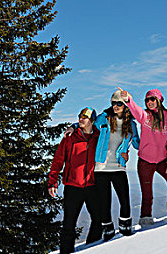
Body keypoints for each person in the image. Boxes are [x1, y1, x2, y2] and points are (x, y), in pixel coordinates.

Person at [64, 90, 139, 240]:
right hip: (100, 167)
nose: (116, 106)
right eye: (113, 103)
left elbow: (137, 142)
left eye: (119, 103)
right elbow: (88, 124)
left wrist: (129, 149)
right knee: (105, 202)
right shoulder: (104, 118)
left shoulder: (131, 123)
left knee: (125, 199)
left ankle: (125, 227)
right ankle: (108, 229)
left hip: (119, 166)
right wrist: (73, 127)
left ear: (125, 105)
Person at [119, 87, 167, 226]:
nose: (149, 102)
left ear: (159, 100)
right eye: (147, 100)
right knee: (147, 194)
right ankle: (145, 220)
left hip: (163, 160)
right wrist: (129, 99)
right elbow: (136, 111)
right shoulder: (145, 116)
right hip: (145, 161)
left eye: (152, 99)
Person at [48, 107, 102, 254]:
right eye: (79, 116)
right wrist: (52, 181)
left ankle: (92, 249)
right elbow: (58, 160)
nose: (80, 119)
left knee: (98, 220)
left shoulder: (99, 137)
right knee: (68, 224)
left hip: (93, 186)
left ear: (91, 120)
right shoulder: (70, 137)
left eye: (84, 117)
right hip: (73, 186)